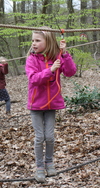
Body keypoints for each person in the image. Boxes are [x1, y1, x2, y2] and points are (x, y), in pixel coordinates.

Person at [25, 28, 76, 182]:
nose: (34, 43)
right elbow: (33, 78)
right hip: (36, 105)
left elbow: (70, 72)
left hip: (51, 104)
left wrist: (65, 54)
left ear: (48, 42)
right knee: (40, 137)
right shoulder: (31, 59)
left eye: (38, 40)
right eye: (33, 40)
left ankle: (49, 162)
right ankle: (39, 167)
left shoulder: (57, 57)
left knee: (50, 137)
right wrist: (50, 70)